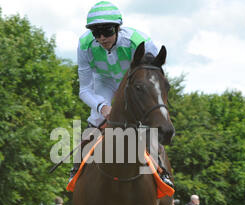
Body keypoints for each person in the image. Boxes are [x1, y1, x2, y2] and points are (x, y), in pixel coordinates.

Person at [69, 1, 174, 188]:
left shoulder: (140, 42)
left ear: (118, 28)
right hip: (104, 83)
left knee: (147, 119)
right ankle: (77, 168)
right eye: (96, 33)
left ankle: (161, 169)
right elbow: (84, 89)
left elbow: (155, 78)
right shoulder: (84, 45)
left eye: (107, 31)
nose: (102, 38)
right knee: (95, 116)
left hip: (135, 84)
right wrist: (102, 107)